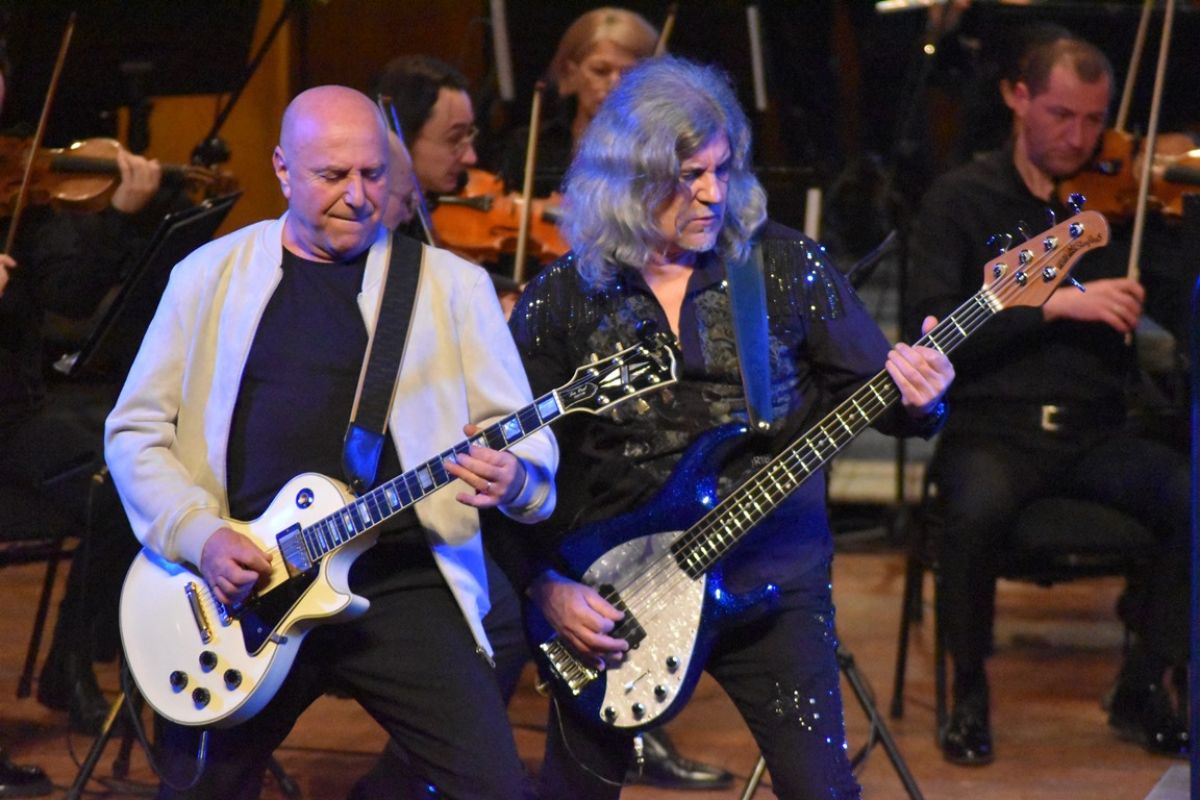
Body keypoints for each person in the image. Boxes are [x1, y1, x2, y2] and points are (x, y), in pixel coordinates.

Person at [500, 56, 953, 800]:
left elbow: (883, 398)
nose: (713, 193)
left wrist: (923, 397)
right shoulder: (562, 299)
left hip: (770, 580)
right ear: (629, 179)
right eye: (688, 177)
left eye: (722, 169)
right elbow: (512, 468)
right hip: (616, 596)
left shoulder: (783, 266)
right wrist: (546, 588)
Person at [104, 85, 557, 799]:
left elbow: (528, 444)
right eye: (332, 175)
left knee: (498, 788)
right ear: (283, 170)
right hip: (243, 588)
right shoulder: (206, 277)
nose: (357, 195)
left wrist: (518, 479)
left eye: (373, 174)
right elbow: (135, 431)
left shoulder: (453, 287)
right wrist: (199, 536)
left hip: (399, 580)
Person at [906, 30, 1191, 766]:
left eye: (1095, 120)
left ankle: (1144, 684)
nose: (1079, 137)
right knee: (972, 511)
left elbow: (1174, 308)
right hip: (994, 429)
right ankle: (969, 697)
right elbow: (931, 329)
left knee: (1191, 496)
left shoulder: (1116, 203)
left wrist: (1170, 239)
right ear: (1017, 96)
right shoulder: (961, 200)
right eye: (1062, 115)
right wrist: (1060, 303)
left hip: (1096, 431)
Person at [0, 43, 167, 740]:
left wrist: (117, 217)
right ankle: (74, 663)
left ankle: (73, 660)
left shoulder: (18, 180)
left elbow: (66, 293)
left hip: (16, 407)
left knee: (136, 472)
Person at [497, 7, 658, 198]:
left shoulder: (659, 154)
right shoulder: (531, 145)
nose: (615, 84)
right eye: (600, 71)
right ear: (570, 73)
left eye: (629, 74)